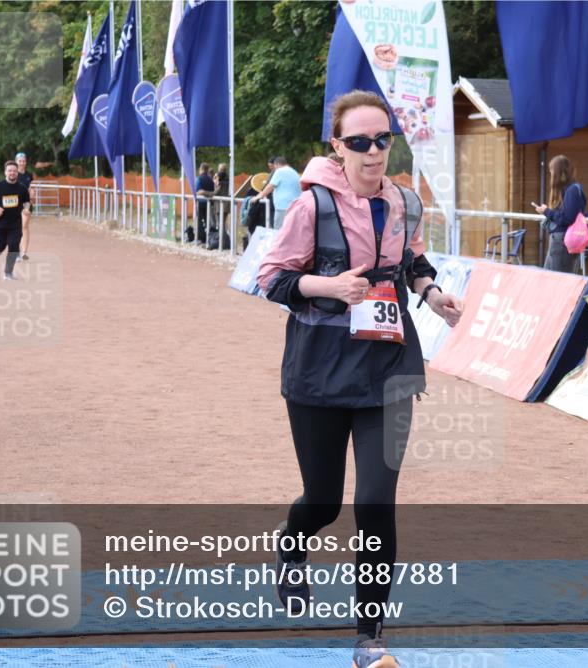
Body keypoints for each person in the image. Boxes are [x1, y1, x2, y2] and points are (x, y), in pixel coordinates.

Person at [257, 90, 464, 668]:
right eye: (359, 142)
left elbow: (410, 262)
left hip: (388, 366)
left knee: (375, 502)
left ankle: (370, 638)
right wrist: (330, 286)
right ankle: (291, 547)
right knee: (322, 503)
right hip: (319, 368)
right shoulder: (311, 205)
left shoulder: (404, 202)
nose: (373, 152)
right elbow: (270, 278)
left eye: (381, 140)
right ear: (338, 146)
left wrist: (432, 293)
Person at [533, 155, 587, 273]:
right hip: (560, 240)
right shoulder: (569, 189)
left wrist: (547, 211)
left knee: (557, 278)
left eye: (552, 172)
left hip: (563, 241)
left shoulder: (572, 190)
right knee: (550, 277)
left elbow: (567, 218)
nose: (551, 176)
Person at [0, 160, 31, 280]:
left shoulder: (22, 188)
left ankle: (8, 272)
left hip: (15, 224)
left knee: (14, 246)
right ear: (5, 172)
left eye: (14, 171)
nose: (12, 173)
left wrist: (26, 209)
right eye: (10, 170)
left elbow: (26, 202)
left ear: (17, 173)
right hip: (0, 224)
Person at [255, 156, 301, 230]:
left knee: (278, 232)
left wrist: (258, 196)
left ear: (277, 164)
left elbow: (269, 187)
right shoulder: (294, 172)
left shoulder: (280, 171)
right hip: (295, 207)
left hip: (283, 207)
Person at [15, 152, 34, 260]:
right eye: (20, 161)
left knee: (24, 226)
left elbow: (31, 187)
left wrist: (31, 196)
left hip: (26, 203)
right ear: (16, 162)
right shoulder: (13, 174)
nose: (22, 163)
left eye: (23, 161)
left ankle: (24, 252)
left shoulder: (29, 175)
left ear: (25, 162)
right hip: (14, 203)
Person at [194, 163, 215, 245]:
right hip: (209, 203)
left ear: (201, 169)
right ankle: (208, 237)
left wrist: (202, 192)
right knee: (207, 221)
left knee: (199, 220)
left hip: (200, 202)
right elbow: (213, 191)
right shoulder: (211, 179)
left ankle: (200, 238)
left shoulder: (198, 179)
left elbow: (196, 192)